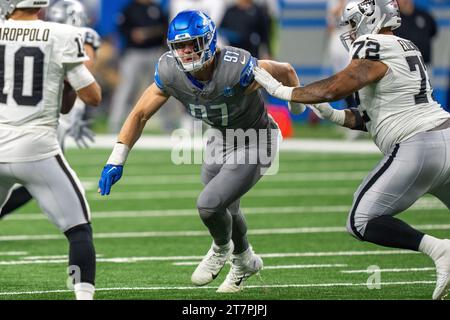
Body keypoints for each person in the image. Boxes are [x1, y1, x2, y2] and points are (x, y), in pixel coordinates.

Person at [253, 0, 450, 300]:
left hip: (419, 145)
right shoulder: (404, 44)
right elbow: (377, 117)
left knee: (360, 221)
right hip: (444, 135)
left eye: (354, 24)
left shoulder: (373, 44)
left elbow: (339, 86)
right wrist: (333, 114)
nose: (351, 32)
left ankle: (439, 250)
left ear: (370, 19)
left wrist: (283, 91)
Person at [97, 10, 304, 293]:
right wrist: (116, 159)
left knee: (209, 204)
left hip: (256, 138)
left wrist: (296, 107)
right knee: (226, 205)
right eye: (179, 46)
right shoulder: (170, 70)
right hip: (219, 137)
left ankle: (221, 249)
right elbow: (140, 114)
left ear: (208, 40)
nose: (185, 52)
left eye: (191, 44)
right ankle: (245, 260)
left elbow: (287, 70)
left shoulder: (235, 66)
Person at [0, 0, 101, 300]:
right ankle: (82, 295)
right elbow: (92, 97)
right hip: (38, 150)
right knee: (78, 230)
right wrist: (67, 79)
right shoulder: (61, 34)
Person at [107, 0, 168, 133]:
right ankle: (115, 124)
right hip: (134, 53)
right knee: (125, 88)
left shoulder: (156, 8)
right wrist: (132, 34)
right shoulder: (129, 9)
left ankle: (168, 126)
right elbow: (121, 28)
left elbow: (165, 27)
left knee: (164, 88)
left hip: (155, 52)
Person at [394, 0, 437, 68]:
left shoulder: (425, 15)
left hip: (425, 64)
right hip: (403, 65)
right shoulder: (394, 19)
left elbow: (433, 32)